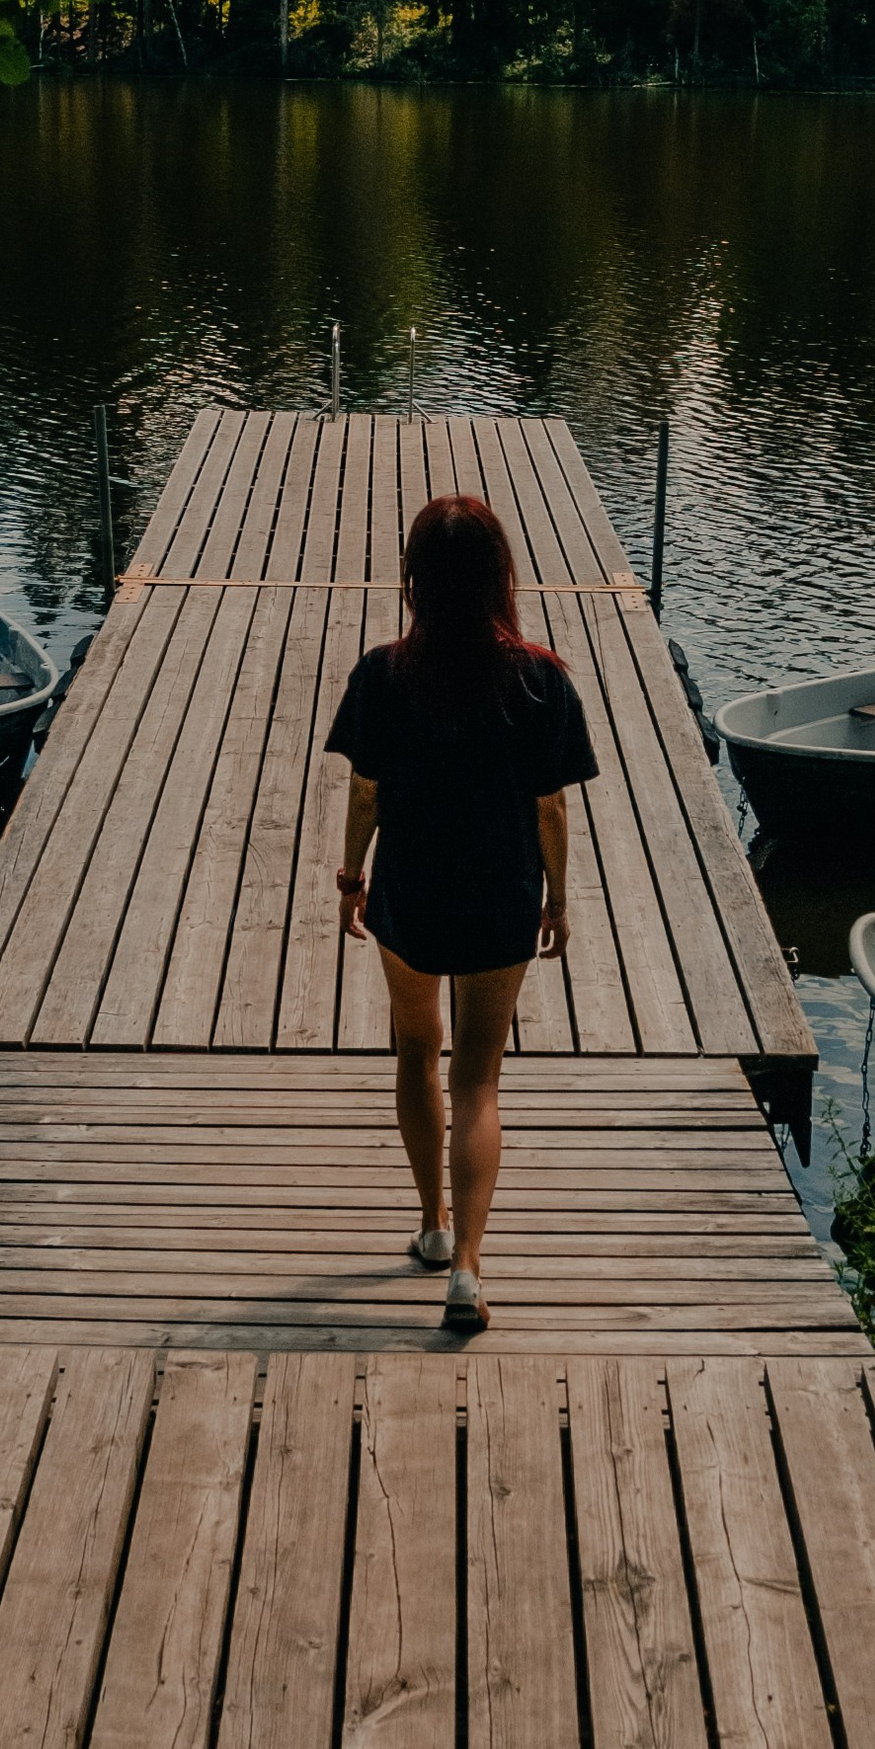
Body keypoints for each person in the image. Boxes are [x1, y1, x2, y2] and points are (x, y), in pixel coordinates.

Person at [326, 494, 597, 1334]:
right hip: (498, 896)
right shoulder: (540, 678)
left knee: (415, 1048)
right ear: (498, 577)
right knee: (477, 1080)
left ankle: (433, 1226)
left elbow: (366, 788)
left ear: (413, 580)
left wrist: (349, 876)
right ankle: (469, 1275)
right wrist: (556, 898)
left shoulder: (383, 672)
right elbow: (550, 807)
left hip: (409, 891)